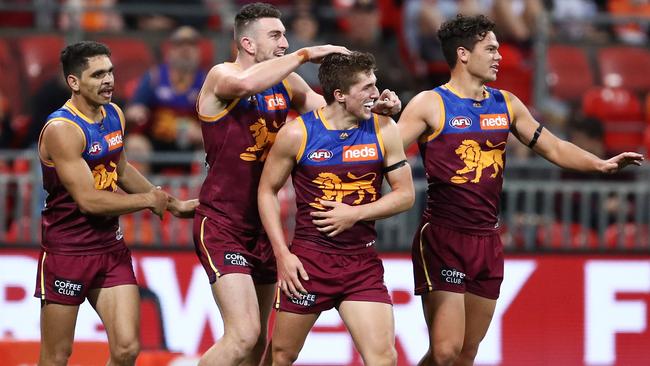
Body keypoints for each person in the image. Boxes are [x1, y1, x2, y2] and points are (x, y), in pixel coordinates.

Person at [397, 14, 643, 366]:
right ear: (463, 54)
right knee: (445, 350)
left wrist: (600, 164)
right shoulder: (429, 104)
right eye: (492, 49)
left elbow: (554, 147)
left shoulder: (507, 104)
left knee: (466, 353)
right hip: (443, 237)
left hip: (487, 239)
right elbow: (386, 153)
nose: (500, 56)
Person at [192, 3, 401, 365]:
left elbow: (328, 112)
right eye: (275, 35)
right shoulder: (221, 75)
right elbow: (246, 83)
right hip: (223, 222)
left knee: (258, 347)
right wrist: (306, 54)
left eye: (286, 36)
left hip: (263, 224)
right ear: (247, 43)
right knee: (243, 337)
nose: (285, 43)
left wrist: (369, 106)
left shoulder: (286, 82)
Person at [35, 41, 197, 366]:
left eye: (110, 71)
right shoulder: (62, 130)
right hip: (67, 252)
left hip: (110, 250)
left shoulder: (114, 114)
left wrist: (171, 203)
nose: (108, 80)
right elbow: (89, 201)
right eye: (97, 74)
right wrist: (147, 201)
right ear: (74, 82)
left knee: (127, 350)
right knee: (56, 357)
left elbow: (120, 169)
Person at [258, 51, 414, 365]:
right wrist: (282, 255)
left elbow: (405, 195)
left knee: (383, 357)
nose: (376, 94)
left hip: (361, 263)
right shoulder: (297, 134)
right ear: (340, 95)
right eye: (366, 87)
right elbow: (266, 191)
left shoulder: (384, 129)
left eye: (375, 83)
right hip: (309, 264)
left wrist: (355, 213)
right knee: (282, 355)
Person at [125, 25, 207, 173]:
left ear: (198, 51)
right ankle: (143, 195)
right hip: (156, 142)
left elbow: (218, 122)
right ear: (170, 50)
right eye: (180, 44)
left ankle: (206, 194)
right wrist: (135, 113)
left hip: (191, 144)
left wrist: (202, 133)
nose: (185, 50)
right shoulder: (154, 77)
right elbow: (133, 109)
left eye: (191, 45)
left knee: (212, 145)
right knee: (135, 144)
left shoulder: (207, 81)